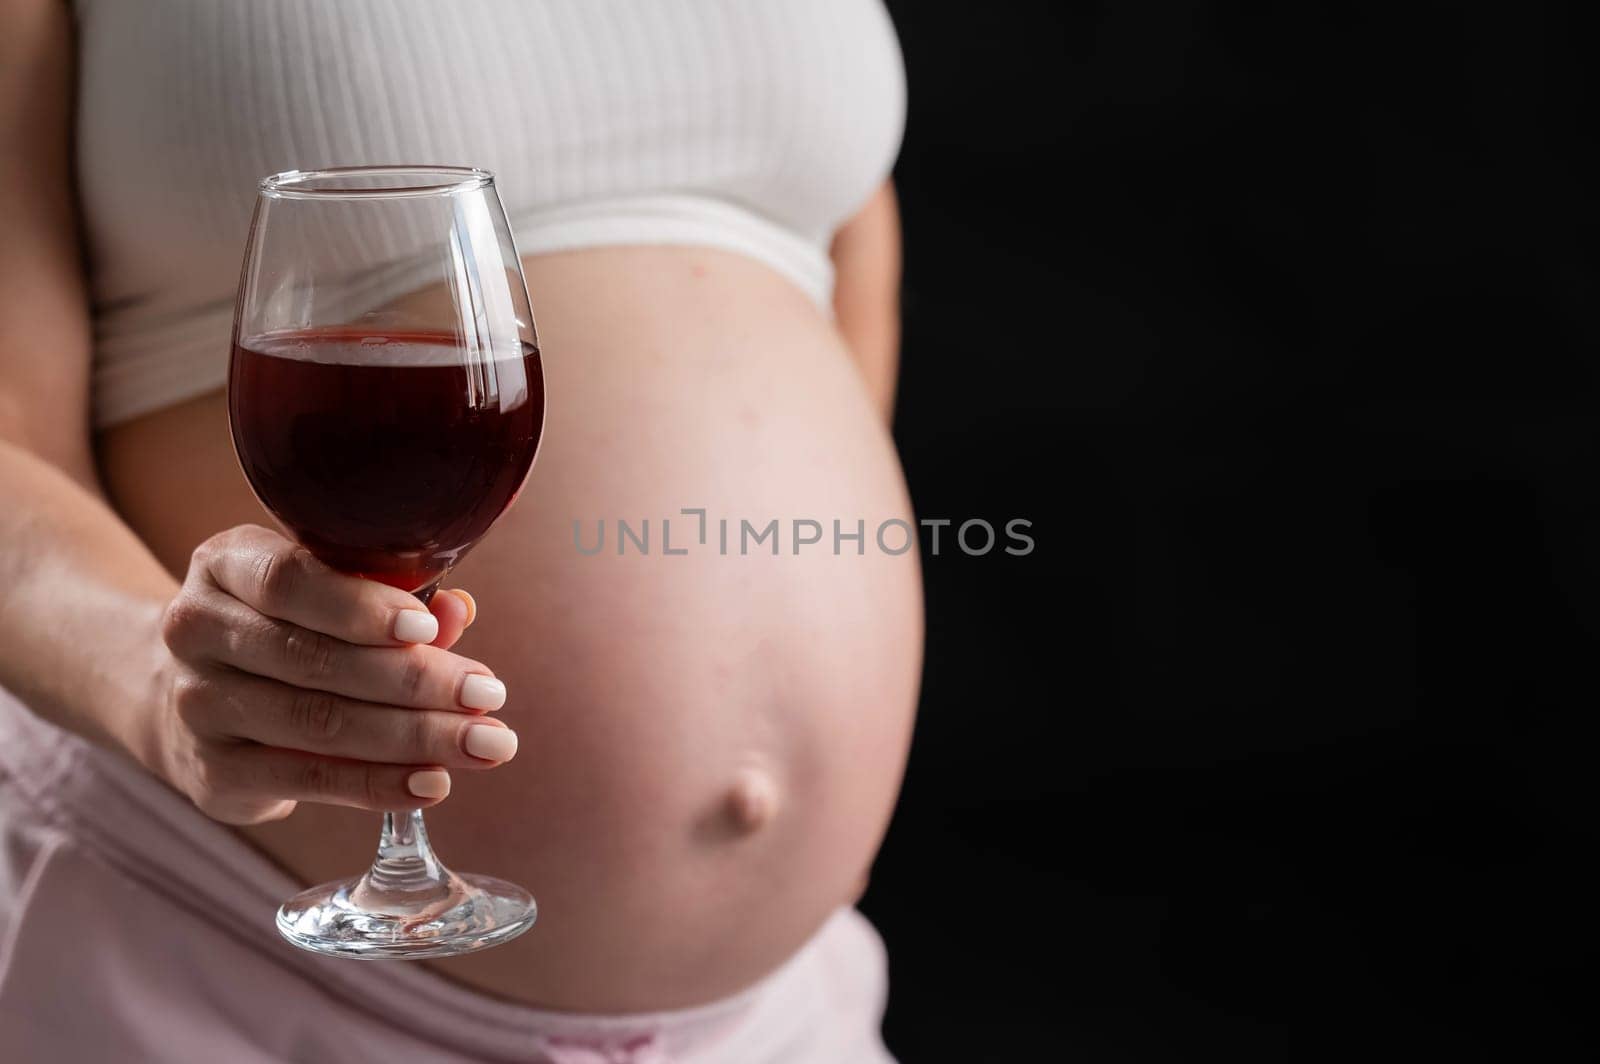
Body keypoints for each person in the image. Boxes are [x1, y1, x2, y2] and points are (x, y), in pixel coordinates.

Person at [0, 1, 921, 1060]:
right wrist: (163, 688)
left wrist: (824, 715)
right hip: (220, 960)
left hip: (778, 1011)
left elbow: (841, 273)